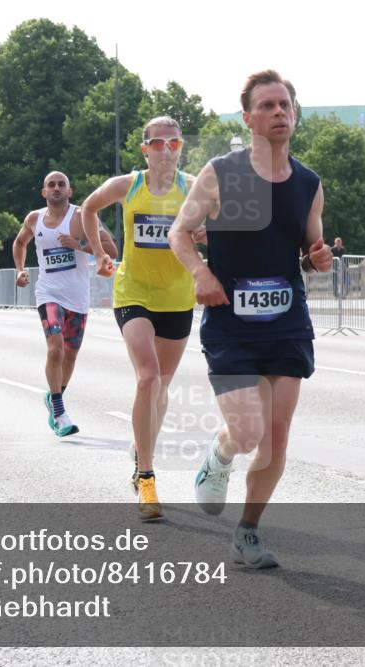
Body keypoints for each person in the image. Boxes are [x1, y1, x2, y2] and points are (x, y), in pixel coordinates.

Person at [169, 70, 332, 568]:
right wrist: (200, 273)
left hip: (286, 320)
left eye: (285, 105)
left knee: (277, 436)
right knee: (247, 434)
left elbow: (307, 248)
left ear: (294, 114)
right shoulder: (222, 173)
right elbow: (180, 233)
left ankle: (248, 532)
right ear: (248, 118)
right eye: (267, 106)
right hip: (230, 320)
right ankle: (220, 454)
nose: (279, 112)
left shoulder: (308, 183)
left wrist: (318, 259)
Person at [81, 116, 205, 522]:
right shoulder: (128, 185)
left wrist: (207, 232)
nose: (167, 149)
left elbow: (221, 224)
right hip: (133, 292)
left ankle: (141, 445)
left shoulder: (193, 186)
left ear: (181, 147)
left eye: (174, 143)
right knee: (148, 377)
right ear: (145, 148)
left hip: (177, 295)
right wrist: (100, 253)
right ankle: (146, 478)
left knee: (162, 387)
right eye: (158, 143)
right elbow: (88, 208)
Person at [13, 171, 117, 438]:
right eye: (51, 185)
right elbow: (19, 242)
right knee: (55, 349)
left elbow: (111, 250)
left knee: (70, 355)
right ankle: (59, 412)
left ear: (69, 191)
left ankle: (54, 396)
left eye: (62, 185)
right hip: (48, 294)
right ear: (43, 192)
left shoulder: (82, 216)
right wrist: (19, 270)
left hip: (78, 298)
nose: (56, 188)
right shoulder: (34, 219)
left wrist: (78, 244)